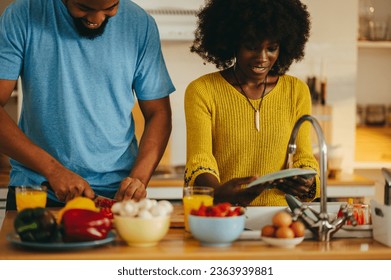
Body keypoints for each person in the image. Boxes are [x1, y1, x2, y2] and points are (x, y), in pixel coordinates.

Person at [0, 0, 175, 210]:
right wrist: (53, 170)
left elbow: (159, 114)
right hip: (36, 192)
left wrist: (138, 179)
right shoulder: (22, 14)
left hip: (114, 198)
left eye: (110, 8)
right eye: (84, 8)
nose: (96, 19)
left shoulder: (140, 24)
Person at [184, 0, 320, 206]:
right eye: (252, 47)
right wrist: (218, 192)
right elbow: (200, 159)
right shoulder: (203, 91)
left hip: (278, 221)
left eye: (272, 48)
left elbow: (303, 155)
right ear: (232, 43)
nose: (262, 58)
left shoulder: (296, 91)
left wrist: (306, 181)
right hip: (224, 216)